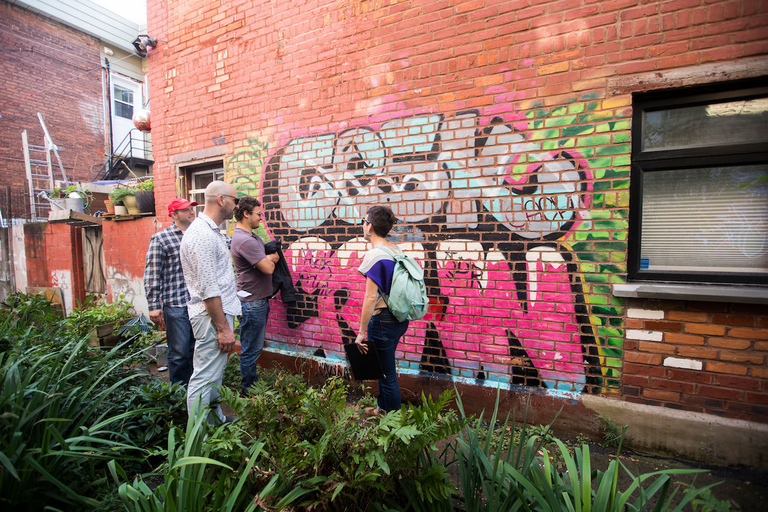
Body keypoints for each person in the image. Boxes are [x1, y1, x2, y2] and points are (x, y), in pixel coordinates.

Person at [180, 181, 242, 423]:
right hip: (211, 318)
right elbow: (208, 289)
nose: (237, 206)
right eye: (235, 201)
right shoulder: (202, 234)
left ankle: (214, 422)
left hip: (215, 316)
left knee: (213, 375)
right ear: (221, 200)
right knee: (204, 376)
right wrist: (223, 328)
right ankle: (199, 438)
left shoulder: (209, 231)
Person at [355, 206, 410, 414]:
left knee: (387, 375)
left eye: (363, 221)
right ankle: (381, 409)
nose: (362, 225)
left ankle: (393, 424)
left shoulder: (375, 255)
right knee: (384, 369)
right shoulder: (396, 250)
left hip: (383, 321)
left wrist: (361, 332)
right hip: (399, 318)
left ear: (369, 226)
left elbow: (370, 297)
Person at [143, 198, 198, 386]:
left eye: (192, 209)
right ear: (174, 215)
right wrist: (153, 306)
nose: (191, 212)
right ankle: (178, 395)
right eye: (186, 210)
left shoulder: (198, 235)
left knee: (195, 351)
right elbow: (152, 273)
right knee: (179, 353)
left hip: (198, 303)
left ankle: (194, 392)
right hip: (176, 305)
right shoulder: (161, 238)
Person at [230, 197, 279, 395]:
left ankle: (250, 387)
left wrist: (266, 258)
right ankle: (248, 391)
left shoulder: (251, 237)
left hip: (257, 301)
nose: (261, 217)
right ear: (246, 213)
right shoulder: (244, 240)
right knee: (250, 350)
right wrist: (273, 258)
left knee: (254, 348)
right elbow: (267, 268)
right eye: (258, 214)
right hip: (252, 303)